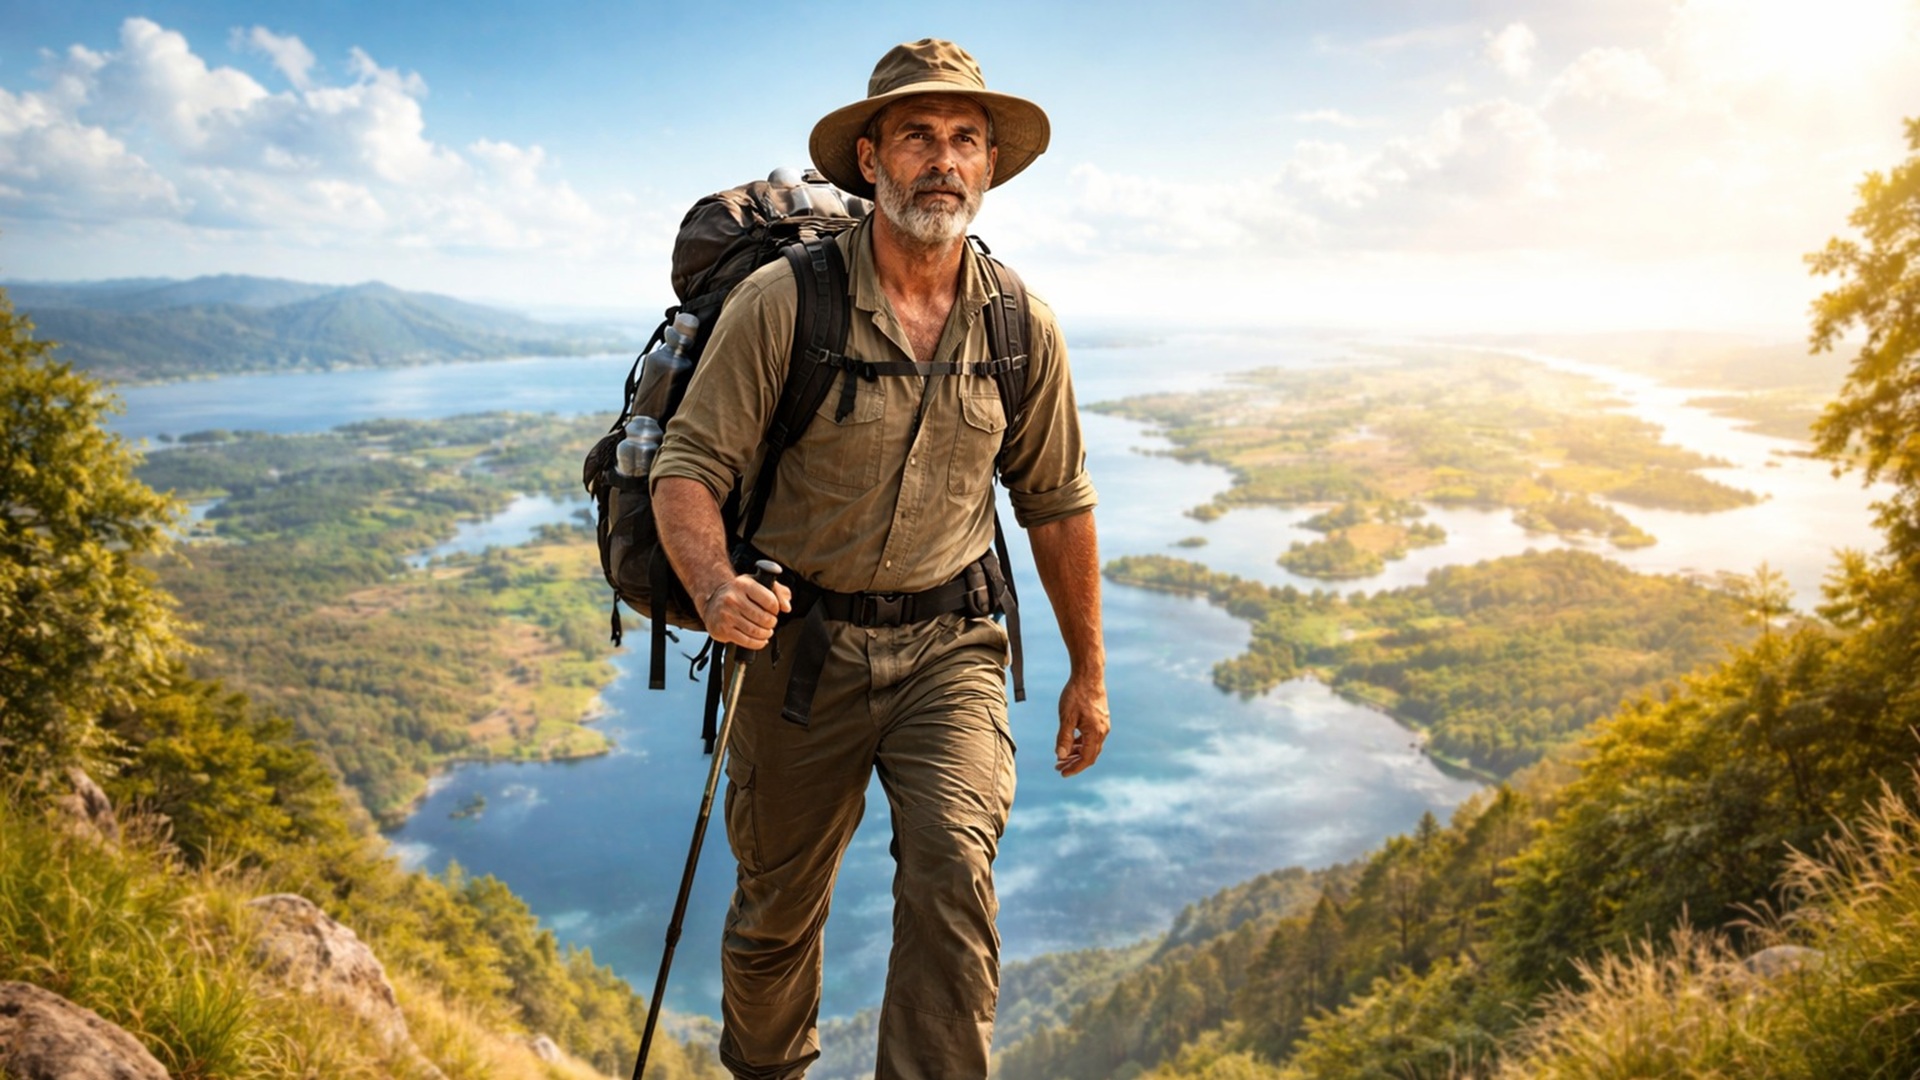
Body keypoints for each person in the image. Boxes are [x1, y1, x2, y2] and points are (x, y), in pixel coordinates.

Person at [649, 38, 1110, 1079]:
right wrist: (717, 585)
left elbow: (1058, 499)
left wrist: (1090, 669)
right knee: (776, 913)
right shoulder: (787, 304)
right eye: (918, 136)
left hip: (952, 649)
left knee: (954, 876)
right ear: (871, 161)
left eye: (964, 140)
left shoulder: (1020, 324)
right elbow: (689, 468)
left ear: (989, 168)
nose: (943, 160)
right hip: (797, 652)